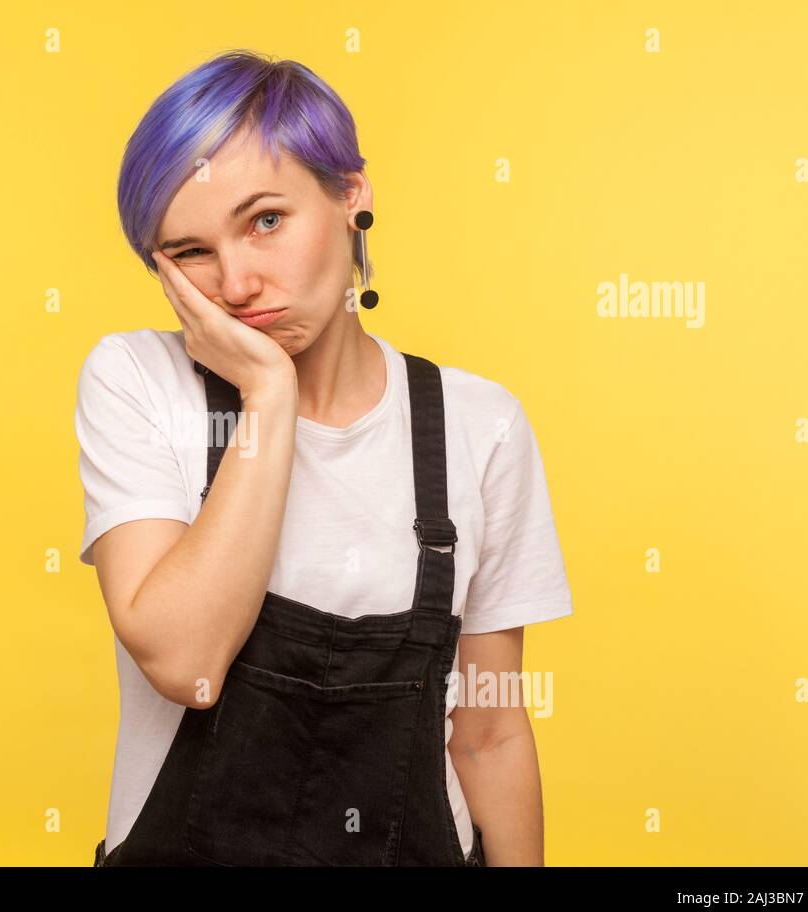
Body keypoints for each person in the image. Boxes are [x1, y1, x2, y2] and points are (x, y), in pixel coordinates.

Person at [75, 49, 573, 866]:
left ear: (351, 197)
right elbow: (188, 662)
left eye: (265, 220)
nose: (236, 283)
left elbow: (488, 731)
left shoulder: (480, 427)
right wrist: (269, 394)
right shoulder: (137, 382)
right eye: (192, 252)